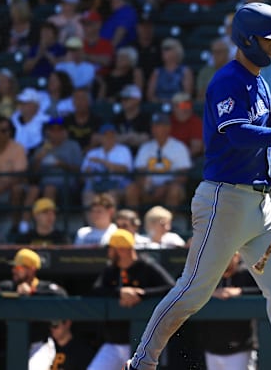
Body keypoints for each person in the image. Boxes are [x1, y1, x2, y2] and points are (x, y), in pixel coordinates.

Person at [124, 2, 271, 370]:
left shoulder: (258, 81)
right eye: (268, 38)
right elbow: (237, 134)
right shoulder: (228, 79)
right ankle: (142, 362)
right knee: (193, 291)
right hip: (224, 198)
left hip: (259, 203)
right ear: (246, 39)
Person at [90, 229, 175, 369]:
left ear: (122, 250)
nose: (109, 253)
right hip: (114, 342)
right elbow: (95, 291)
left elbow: (170, 287)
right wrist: (120, 292)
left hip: (143, 344)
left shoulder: (146, 265)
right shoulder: (111, 270)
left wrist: (142, 294)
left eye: (112, 249)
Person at [193, 252, 259, 370]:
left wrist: (240, 291)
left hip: (240, 347)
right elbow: (187, 289)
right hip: (212, 347)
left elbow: (265, 291)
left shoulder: (246, 273)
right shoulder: (209, 274)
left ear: (237, 257)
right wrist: (211, 293)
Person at [124, 113, 192, 209]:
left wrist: (164, 187)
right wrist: (146, 185)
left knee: (175, 190)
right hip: (149, 188)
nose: (155, 129)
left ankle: (167, 222)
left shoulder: (179, 147)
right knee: (131, 189)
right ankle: (134, 221)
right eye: (154, 126)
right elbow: (140, 171)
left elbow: (183, 175)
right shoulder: (145, 147)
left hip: (169, 187)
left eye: (159, 126)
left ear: (168, 128)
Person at [81, 123, 133, 206]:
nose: (109, 138)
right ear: (100, 137)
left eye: (111, 135)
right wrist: (88, 171)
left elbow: (125, 169)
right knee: (88, 194)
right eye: (106, 135)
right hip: (96, 183)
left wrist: (102, 162)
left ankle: (111, 219)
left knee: (111, 195)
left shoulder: (123, 150)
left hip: (116, 182)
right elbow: (82, 176)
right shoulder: (92, 153)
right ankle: (90, 219)